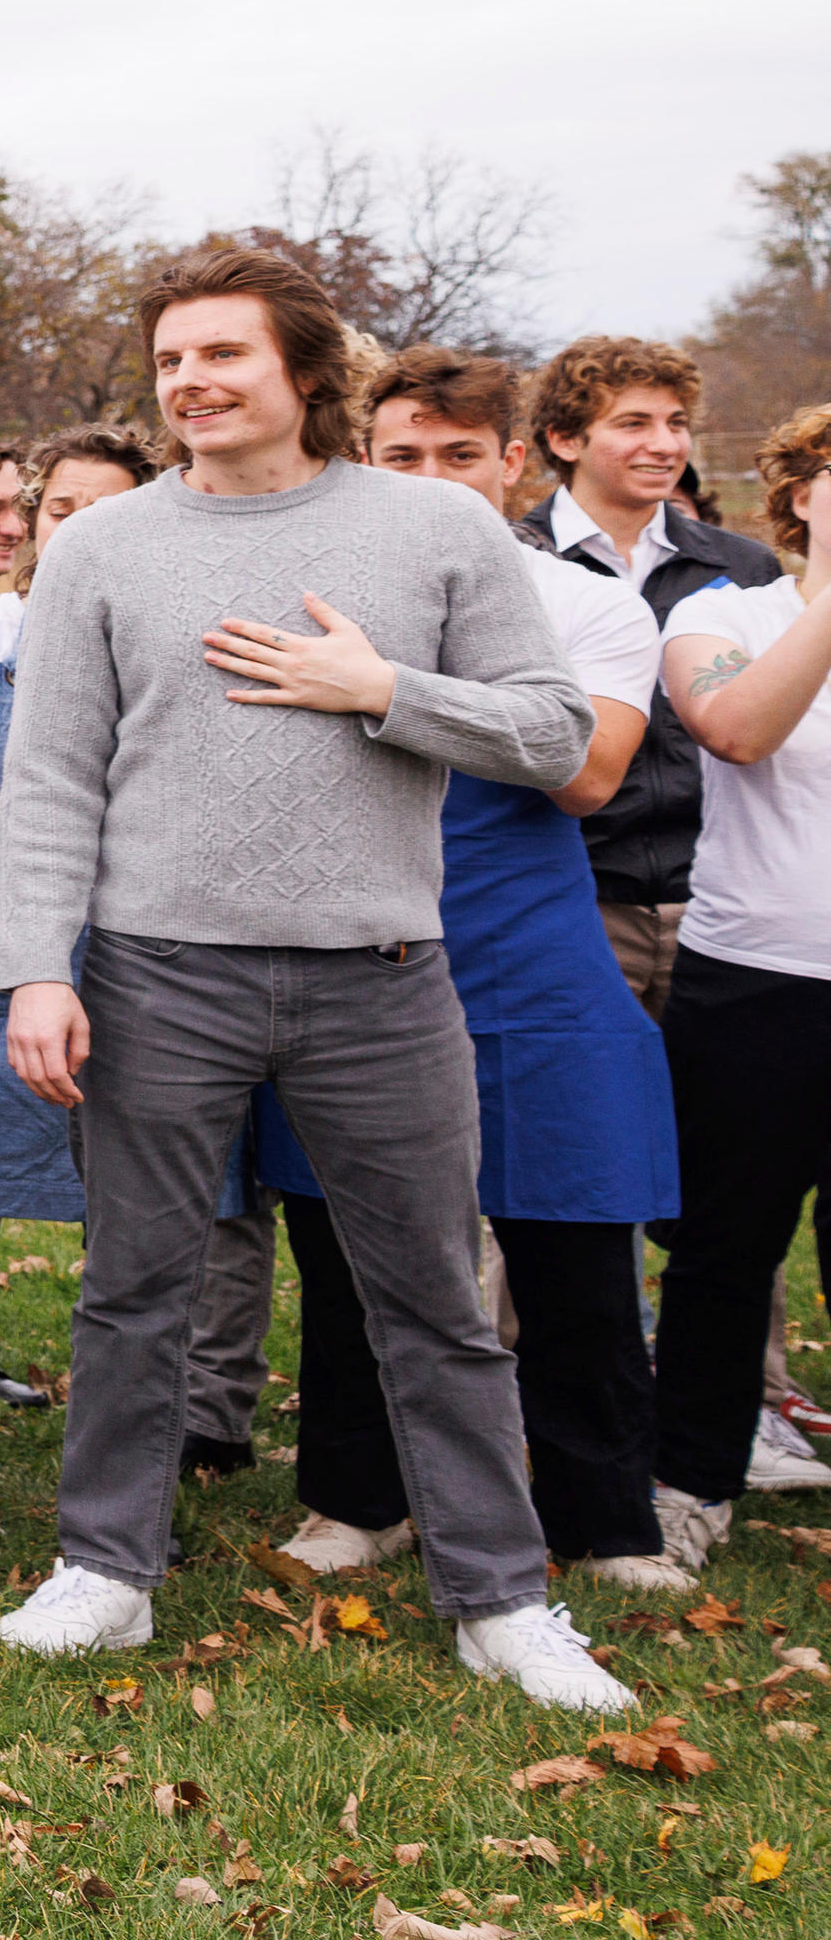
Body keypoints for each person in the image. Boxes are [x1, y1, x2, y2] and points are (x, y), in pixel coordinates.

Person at [0, 243, 632, 1711]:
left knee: (433, 1302)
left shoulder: (436, 531)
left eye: (224, 354)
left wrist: (382, 691)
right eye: (170, 360)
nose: (192, 382)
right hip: (158, 975)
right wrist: (40, 968)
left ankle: (501, 1598)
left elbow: (554, 734)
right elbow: (53, 779)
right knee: (133, 1286)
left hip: (383, 980)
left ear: (303, 370)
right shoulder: (101, 546)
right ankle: (106, 1569)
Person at [250, 348, 691, 1594]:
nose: (432, 477)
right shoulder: (307, 593)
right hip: (349, 940)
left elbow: (584, 770)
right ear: (361, 458)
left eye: (459, 454)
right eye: (403, 455)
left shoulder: (586, 604)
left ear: (511, 462)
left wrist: (380, 686)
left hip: (528, 952)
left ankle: (602, 1517)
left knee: (570, 1245)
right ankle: (355, 1496)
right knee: (345, 1256)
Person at [0, 424, 280, 1469]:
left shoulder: (199, 632)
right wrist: (72, 818)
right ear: (31, 521)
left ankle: (187, 1432)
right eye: (60, 508)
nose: (78, 529)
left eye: (107, 510)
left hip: (169, 953)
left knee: (181, 1216)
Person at [646, 405, 831, 1564]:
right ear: (800, 493)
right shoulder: (721, 614)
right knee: (724, 1245)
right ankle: (689, 1484)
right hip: (756, 976)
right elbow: (737, 730)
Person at [517, 335, 780, 1012]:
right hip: (575, 898)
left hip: (724, 898)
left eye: (677, 423)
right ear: (565, 439)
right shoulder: (512, 568)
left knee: (724, 1113)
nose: (664, 444)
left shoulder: (745, 568)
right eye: (633, 423)